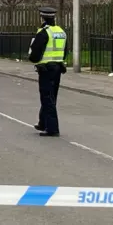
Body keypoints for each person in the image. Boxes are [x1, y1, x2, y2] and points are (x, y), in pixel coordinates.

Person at [28, 7, 68, 137]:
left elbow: (35, 54)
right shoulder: (61, 32)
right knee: (52, 96)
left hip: (46, 68)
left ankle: (52, 128)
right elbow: (65, 51)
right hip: (58, 67)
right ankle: (43, 122)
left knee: (46, 97)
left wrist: (36, 61)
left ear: (42, 17)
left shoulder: (43, 32)